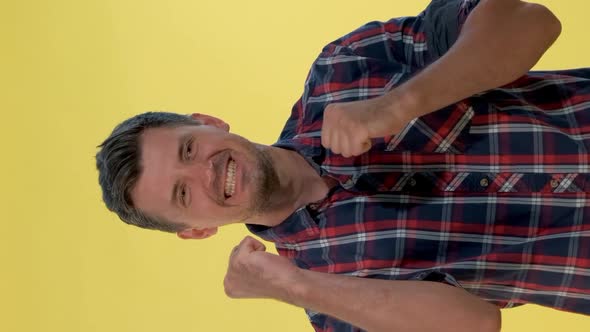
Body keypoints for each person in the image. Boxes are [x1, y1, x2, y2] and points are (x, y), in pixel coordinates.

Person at [96, 0, 590, 331]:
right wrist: (299, 287)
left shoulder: (345, 67)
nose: (204, 172)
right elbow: (475, 325)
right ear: (197, 232)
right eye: (183, 195)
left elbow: (533, 22)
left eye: (188, 149)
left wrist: (401, 103)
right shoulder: (330, 299)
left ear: (207, 122)